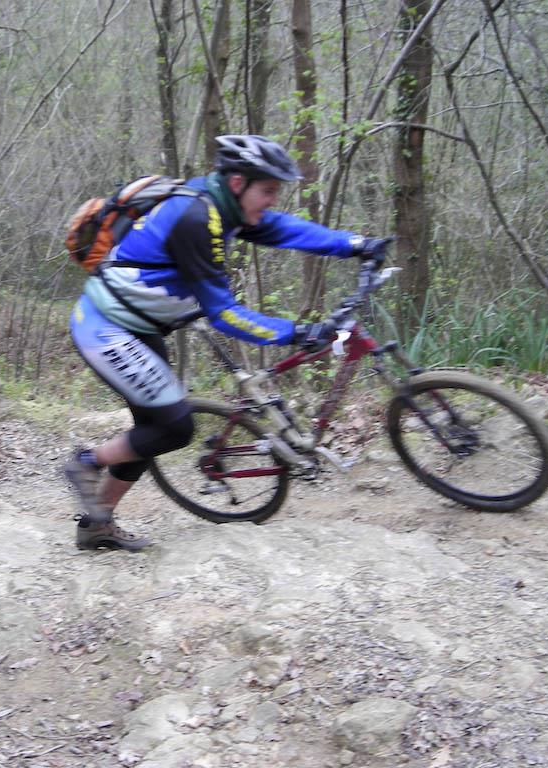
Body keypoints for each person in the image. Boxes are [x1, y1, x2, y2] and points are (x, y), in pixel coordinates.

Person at [63, 134, 391, 552]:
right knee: (174, 427)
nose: (272, 199)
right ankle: (85, 463)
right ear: (238, 182)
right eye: (268, 190)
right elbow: (224, 314)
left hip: (137, 327)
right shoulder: (196, 219)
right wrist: (295, 332)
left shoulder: (224, 206)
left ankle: (97, 525)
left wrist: (356, 245)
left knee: (153, 430)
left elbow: (285, 229)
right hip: (106, 328)